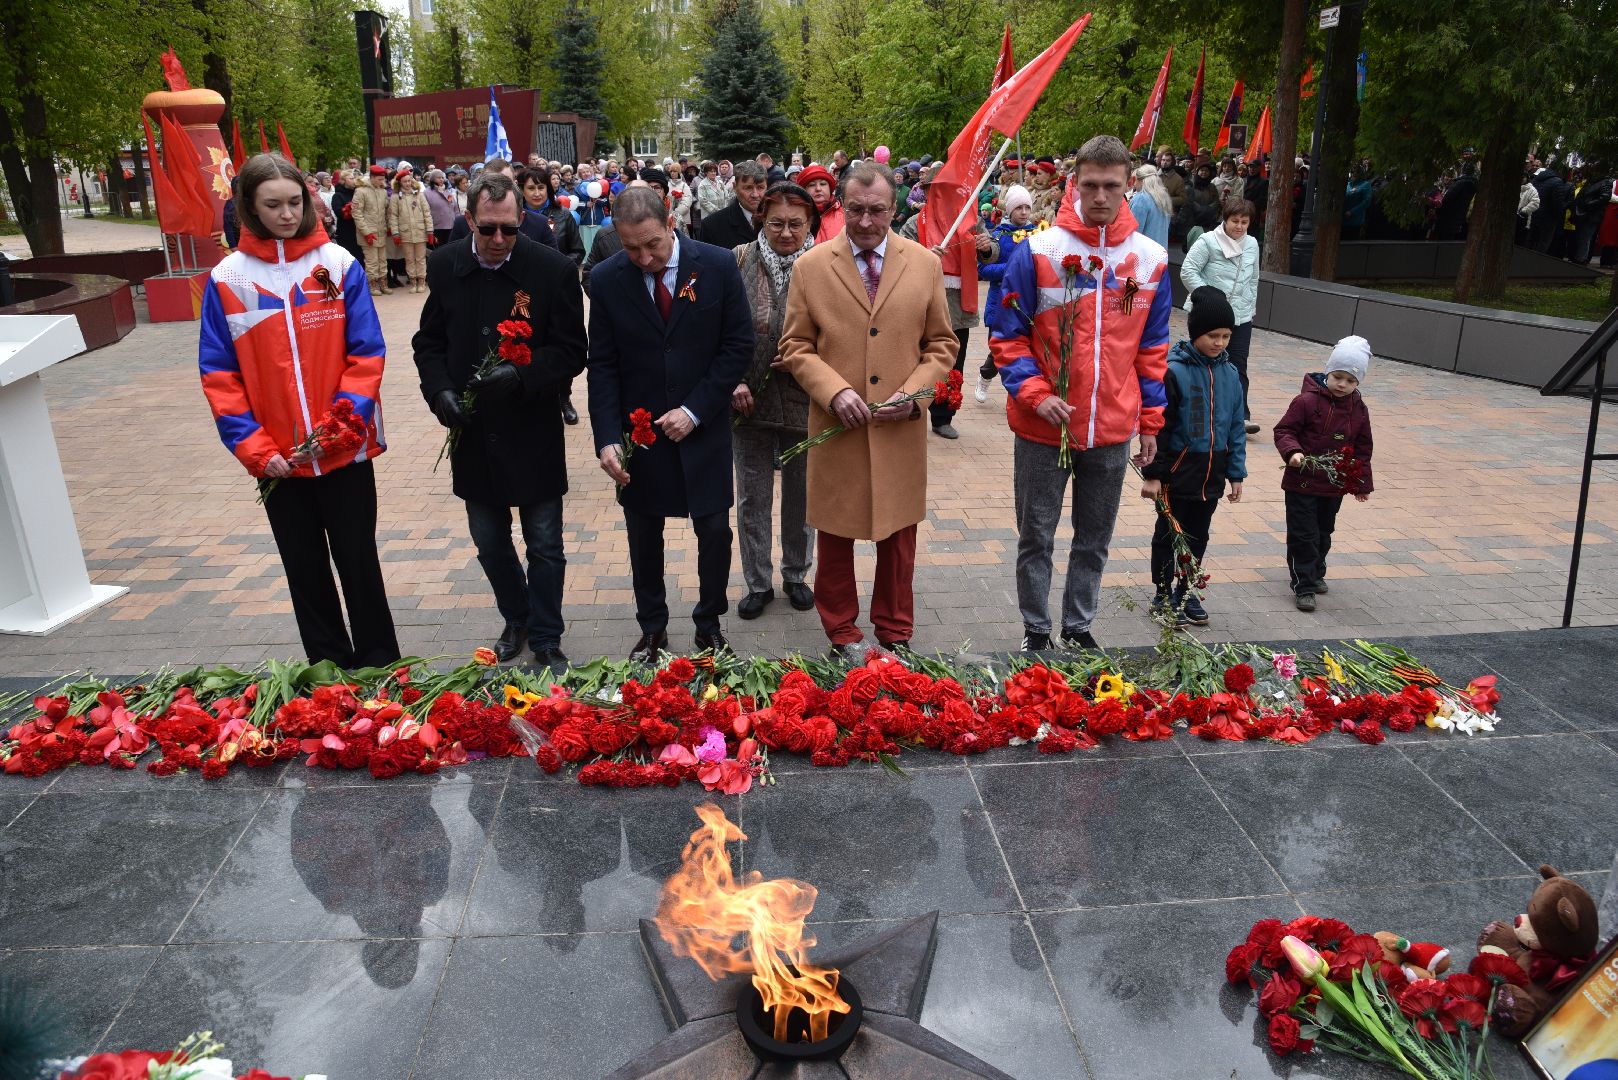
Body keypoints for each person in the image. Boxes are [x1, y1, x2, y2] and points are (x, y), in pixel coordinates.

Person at [198, 153, 398, 668]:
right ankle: (329, 670)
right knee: (305, 569)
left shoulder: (336, 264)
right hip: (279, 461)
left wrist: (341, 426)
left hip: (344, 451)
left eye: (294, 202)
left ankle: (381, 666)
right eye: (273, 205)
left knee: (359, 563)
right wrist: (256, 451)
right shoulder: (227, 279)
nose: (287, 214)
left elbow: (367, 354)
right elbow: (220, 377)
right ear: (249, 206)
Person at [988, 134, 1172, 652]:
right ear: (1073, 185)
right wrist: (1035, 393)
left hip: (1111, 429)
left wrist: (1151, 425)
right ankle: (1036, 630)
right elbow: (1006, 333)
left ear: (1129, 187)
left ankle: (1078, 626)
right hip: (1043, 427)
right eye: (1089, 185)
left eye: (1110, 186)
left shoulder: (1150, 261)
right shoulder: (1040, 251)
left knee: (1094, 539)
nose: (1099, 196)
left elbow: (1153, 349)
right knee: (1036, 537)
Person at [780, 162, 957, 657]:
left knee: (899, 539)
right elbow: (795, 346)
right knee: (834, 536)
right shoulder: (811, 266)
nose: (864, 221)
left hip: (898, 431)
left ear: (893, 210)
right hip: (837, 427)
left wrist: (915, 394)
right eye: (855, 209)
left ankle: (896, 633)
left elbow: (941, 344)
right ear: (841, 206)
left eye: (876, 210)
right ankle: (842, 634)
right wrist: (834, 391)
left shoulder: (924, 264)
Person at [412, 171, 588, 669]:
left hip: (530, 427)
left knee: (544, 542)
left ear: (522, 222)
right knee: (490, 542)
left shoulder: (551, 270)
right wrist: (440, 390)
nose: (497, 240)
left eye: (508, 230)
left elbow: (574, 350)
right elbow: (429, 343)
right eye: (487, 229)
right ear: (468, 219)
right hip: (473, 431)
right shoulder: (445, 266)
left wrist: (523, 373)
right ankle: (518, 618)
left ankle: (548, 634)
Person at [587, 186, 754, 660]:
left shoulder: (718, 265)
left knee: (714, 533)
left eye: (652, 244)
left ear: (671, 223)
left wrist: (696, 409)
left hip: (702, 426)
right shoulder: (605, 278)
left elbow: (737, 346)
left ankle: (709, 624)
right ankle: (653, 627)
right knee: (643, 534)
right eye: (631, 247)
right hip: (639, 432)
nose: (643, 258)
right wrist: (606, 439)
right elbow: (601, 363)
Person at [730, 181, 819, 620]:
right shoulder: (738, 260)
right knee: (752, 496)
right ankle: (757, 582)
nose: (786, 233)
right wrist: (734, 381)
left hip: (807, 400)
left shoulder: (826, 265)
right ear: (762, 219)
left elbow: (844, 331)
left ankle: (797, 574)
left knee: (803, 494)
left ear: (810, 224)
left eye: (796, 224)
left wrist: (809, 357)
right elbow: (718, 329)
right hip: (749, 401)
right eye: (777, 222)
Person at [1137, 287, 1247, 627]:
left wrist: (1236, 473)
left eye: (1226, 336)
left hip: (1211, 473)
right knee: (1168, 534)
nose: (1220, 342)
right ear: (1196, 333)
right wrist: (1154, 474)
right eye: (1213, 335)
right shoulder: (1174, 371)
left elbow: (1235, 427)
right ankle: (1161, 591)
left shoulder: (1231, 375)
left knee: (1199, 535)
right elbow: (1161, 428)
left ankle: (1185, 592)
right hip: (1177, 471)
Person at [1273, 335, 1375, 613]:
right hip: (1301, 480)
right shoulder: (1306, 401)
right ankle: (1303, 585)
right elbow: (1284, 430)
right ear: (1328, 372)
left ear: (1358, 383)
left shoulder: (1359, 409)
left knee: (1324, 531)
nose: (1342, 385)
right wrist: (1292, 452)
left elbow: (1362, 447)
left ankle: (1316, 569)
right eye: (1338, 376)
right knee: (1303, 534)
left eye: (1350, 381)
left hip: (1333, 484)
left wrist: (1361, 482)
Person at [1180, 199, 1260, 434]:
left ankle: (1240, 416)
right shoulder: (1208, 241)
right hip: (1209, 313)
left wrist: (1250, 307)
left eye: (1244, 222)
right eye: (1235, 221)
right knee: (1205, 361)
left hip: (1241, 315)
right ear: (1225, 220)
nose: (1239, 226)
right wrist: (1208, 298)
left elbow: (1254, 278)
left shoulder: (1252, 244)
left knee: (1238, 365)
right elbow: (1188, 271)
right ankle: (1200, 411)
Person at [974, 183, 1039, 402]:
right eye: (1018, 207)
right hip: (1001, 303)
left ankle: (1021, 392)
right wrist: (1012, 268)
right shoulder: (999, 236)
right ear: (1009, 210)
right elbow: (983, 270)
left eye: (1026, 207)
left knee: (1028, 349)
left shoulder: (1038, 234)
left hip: (1030, 303)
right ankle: (985, 375)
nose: (1023, 212)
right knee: (999, 349)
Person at [699, 159, 767, 249]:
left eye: (760, 187)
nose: (755, 194)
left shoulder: (779, 220)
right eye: (748, 188)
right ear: (735, 187)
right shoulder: (711, 226)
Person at [388, 167, 435, 294]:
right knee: (409, 258)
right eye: (405, 181)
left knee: (420, 258)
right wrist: (395, 233)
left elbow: (427, 213)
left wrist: (430, 231)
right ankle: (413, 281)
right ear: (400, 183)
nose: (408, 183)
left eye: (409, 181)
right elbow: (393, 216)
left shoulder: (419, 195)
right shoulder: (395, 197)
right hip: (405, 232)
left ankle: (421, 281)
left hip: (420, 231)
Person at [351, 164, 392, 295]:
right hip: (368, 233)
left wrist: (389, 226)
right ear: (372, 177)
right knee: (372, 261)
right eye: (379, 179)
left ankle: (383, 284)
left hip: (381, 231)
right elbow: (357, 213)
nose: (382, 182)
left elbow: (387, 211)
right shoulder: (360, 191)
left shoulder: (383, 191)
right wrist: (366, 232)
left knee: (382, 260)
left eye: (383, 179)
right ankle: (372, 285)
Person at [794, 164, 845, 244]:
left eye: (823, 184)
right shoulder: (795, 217)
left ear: (830, 188)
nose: (818, 189)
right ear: (803, 190)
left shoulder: (845, 215)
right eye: (812, 185)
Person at [1129, 164, 1172, 249]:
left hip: (1143, 253)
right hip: (1160, 252)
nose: (1134, 184)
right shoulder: (1164, 198)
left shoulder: (1141, 198)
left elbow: (1133, 233)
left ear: (1140, 180)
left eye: (1135, 180)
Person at [424, 168, 459, 247]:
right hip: (437, 228)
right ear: (433, 179)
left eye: (442, 177)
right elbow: (425, 211)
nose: (441, 179)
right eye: (438, 177)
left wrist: (457, 222)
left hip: (451, 226)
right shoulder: (427, 193)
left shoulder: (447, 191)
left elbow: (455, 208)